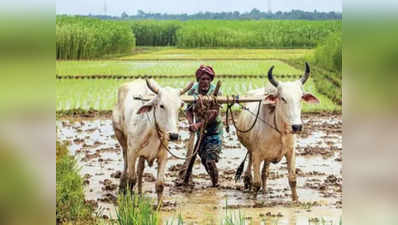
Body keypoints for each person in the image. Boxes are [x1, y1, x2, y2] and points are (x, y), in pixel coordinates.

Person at [183, 65, 223, 187]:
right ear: (198, 80)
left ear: (211, 80)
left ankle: (216, 185)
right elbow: (188, 110)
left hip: (214, 131)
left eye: (207, 79)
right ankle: (213, 182)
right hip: (200, 132)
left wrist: (198, 124)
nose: (205, 82)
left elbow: (214, 113)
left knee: (210, 159)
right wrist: (191, 123)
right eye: (202, 79)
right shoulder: (193, 91)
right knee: (204, 159)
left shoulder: (216, 92)